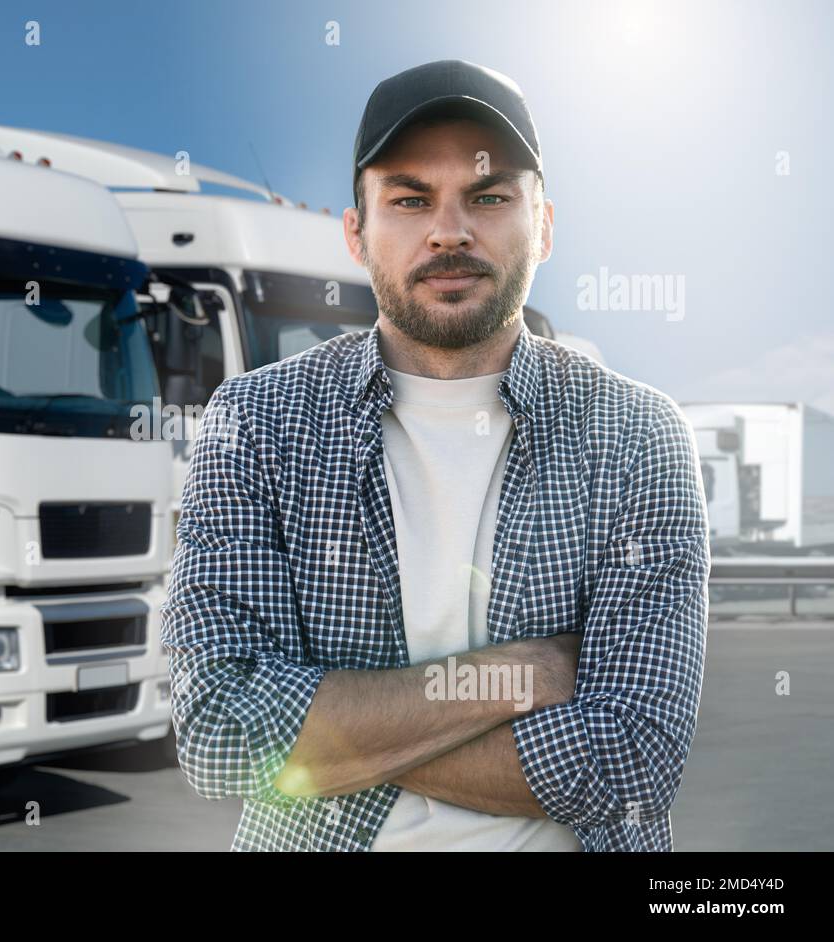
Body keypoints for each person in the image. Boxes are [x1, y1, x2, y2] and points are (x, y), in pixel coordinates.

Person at [160, 59, 710, 851]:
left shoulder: (636, 434)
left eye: (488, 197)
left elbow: (632, 763)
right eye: (410, 199)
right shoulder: (256, 423)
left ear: (544, 226)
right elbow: (218, 733)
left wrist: (339, 730)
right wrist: (518, 675)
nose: (449, 230)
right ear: (357, 232)